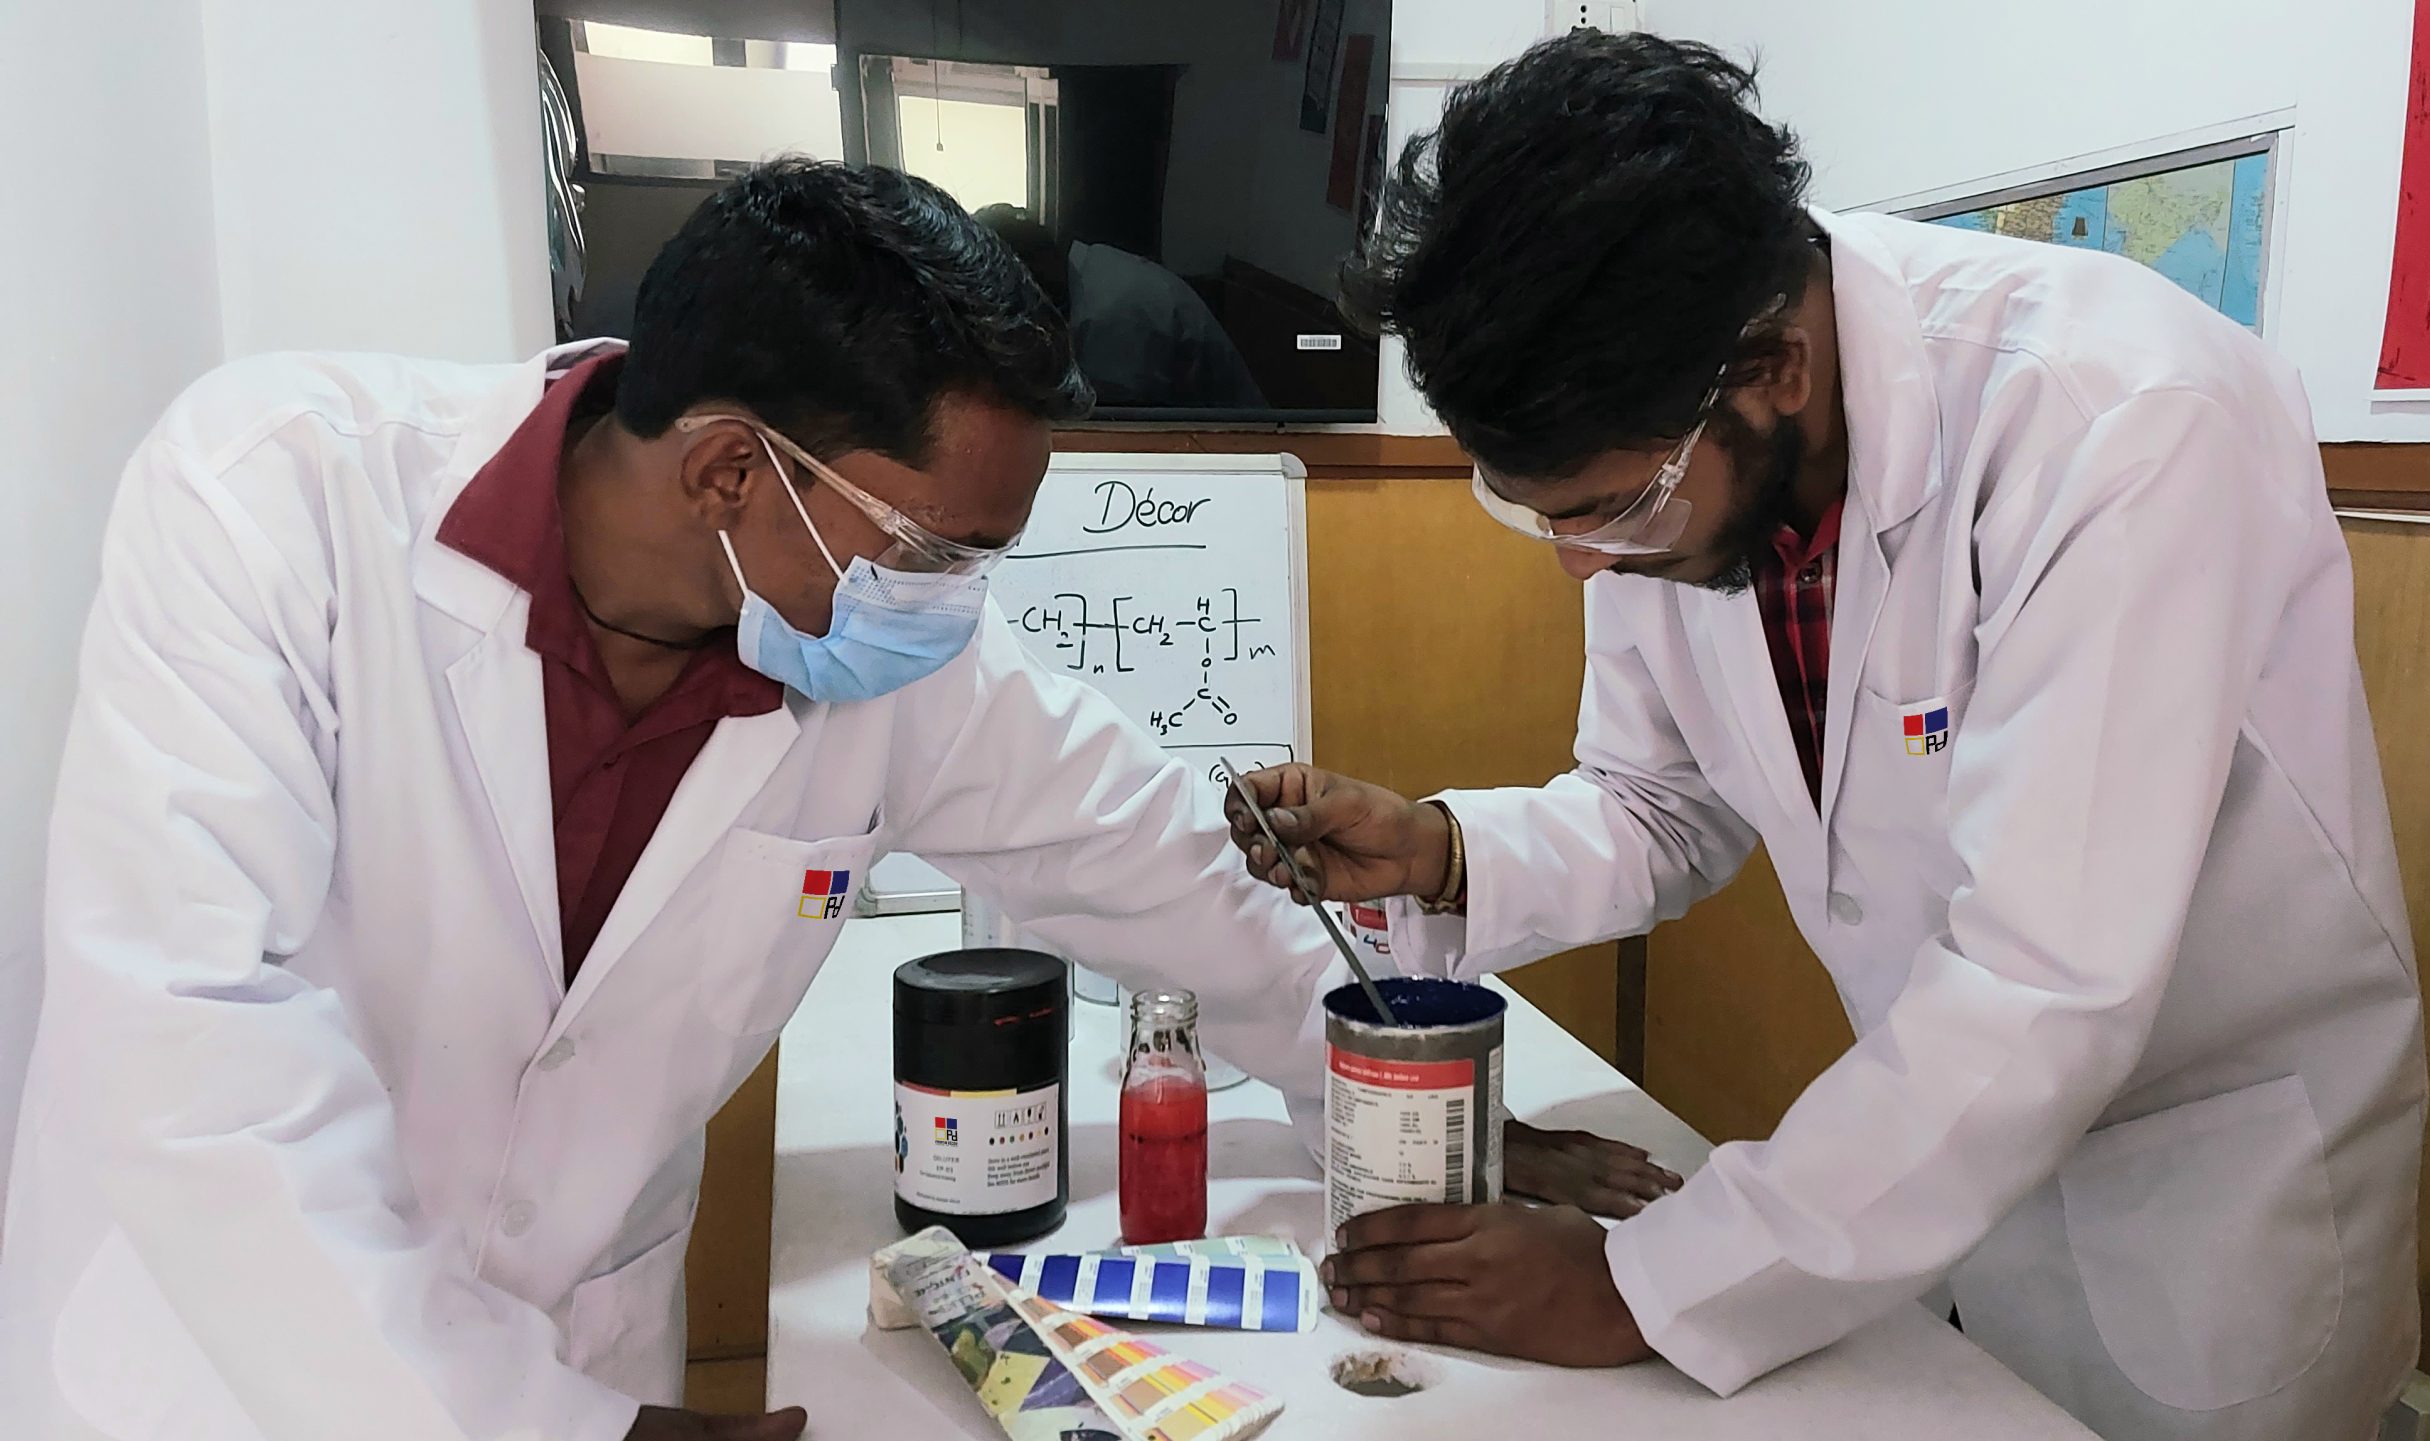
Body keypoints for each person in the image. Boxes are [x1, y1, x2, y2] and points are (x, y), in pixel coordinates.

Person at [0, 158, 1662, 1441]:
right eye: (936, 549)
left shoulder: (878, 648)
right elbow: (189, 1035)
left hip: (583, 1333)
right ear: (730, 469)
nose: (953, 601)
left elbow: (1157, 867)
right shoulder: (272, 500)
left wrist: (1385, 1084)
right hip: (224, 1362)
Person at [1228, 33, 2426, 1441]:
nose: (1579, 562)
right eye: (1535, 512)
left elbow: (2041, 985)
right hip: (1941, 1190)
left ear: (1776, 368)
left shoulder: (2118, 420)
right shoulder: (1671, 450)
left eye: (1607, 510)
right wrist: (1440, 850)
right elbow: (1656, 803)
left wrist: (1635, 1287)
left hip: (2199, 1208)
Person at [974, 204, 1267, 411]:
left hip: (1240, 447)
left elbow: (1104, 420)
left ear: (1030, 273)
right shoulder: (1084, 267)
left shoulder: (1113, 311)